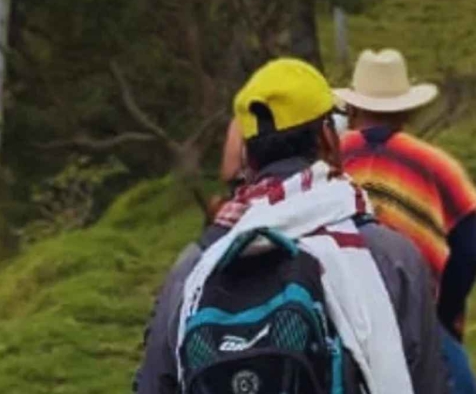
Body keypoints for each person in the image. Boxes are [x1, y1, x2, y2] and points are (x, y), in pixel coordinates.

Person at [135, 58, 447, 394]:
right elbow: (429, 382)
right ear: (329, 137)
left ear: (247, 158)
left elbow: (153, 385)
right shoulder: (387, 255)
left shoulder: (196, 268)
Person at [334, 49, 476, 394]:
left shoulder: (329, 159)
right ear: (407, 110)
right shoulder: (435, 164)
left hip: (336, 313)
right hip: (415, 315)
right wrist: (441, 317)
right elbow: (470, 249)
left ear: (354, 107)